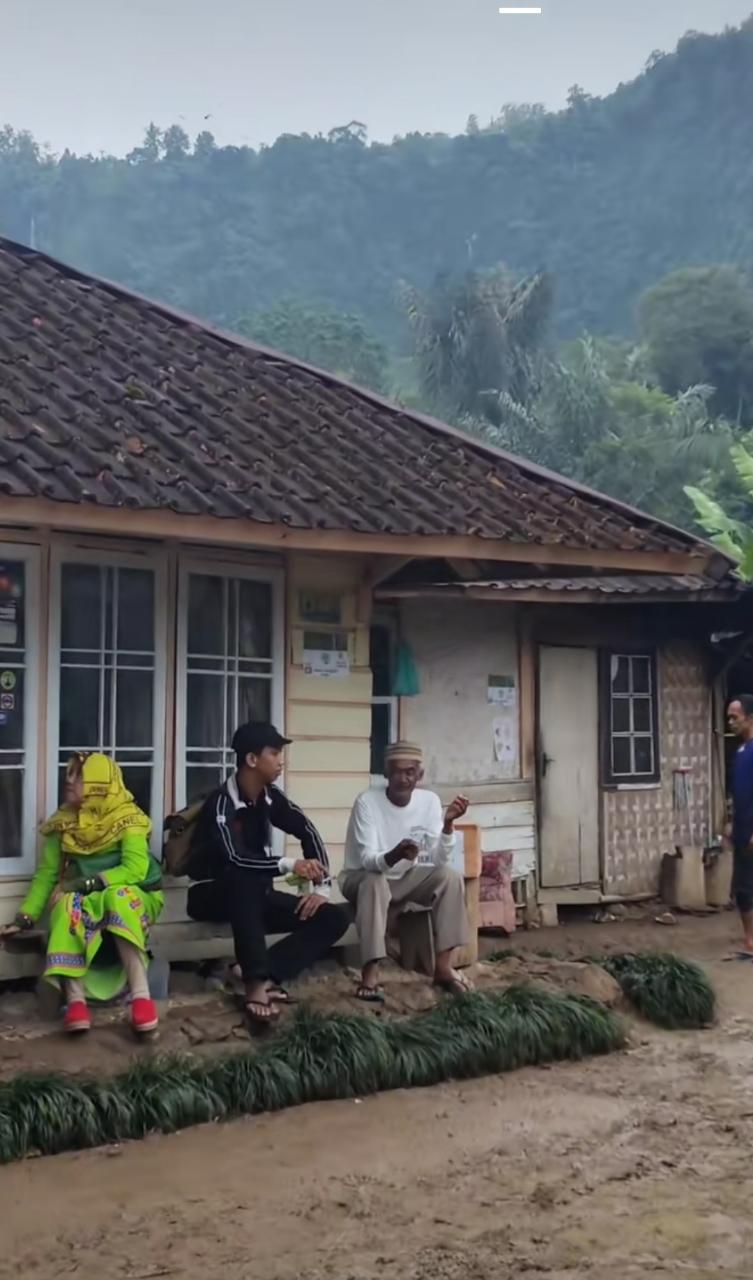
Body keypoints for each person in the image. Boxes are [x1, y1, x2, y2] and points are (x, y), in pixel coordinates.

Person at [187, 721, 352, 1024]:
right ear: (252, 760)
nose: (281, 760)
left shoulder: (270, 796)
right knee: (244, 879)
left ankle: (257, 972)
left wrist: (321, 888)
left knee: (334, 916)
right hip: (211, 895)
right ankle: (254, 985)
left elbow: (306, 831)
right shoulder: (222, 803)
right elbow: (235, 859)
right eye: (274, 753)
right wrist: (290, 865)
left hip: (255, 898)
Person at [0, 753, 163, 1035]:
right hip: (87, 901)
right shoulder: (63, 823)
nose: (69, 780)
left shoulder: (128, 817)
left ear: (99, 784)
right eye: (69, 773)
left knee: (118, 897)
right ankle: (76, 1004)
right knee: (66, 905)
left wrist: (83, 884)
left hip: (134, 894)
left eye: (79, 775)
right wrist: (25, 918)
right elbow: (47, 875)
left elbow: (135, 870)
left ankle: (141, 999)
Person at [341, 741, 471, 1001]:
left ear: (419, 775)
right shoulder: (367, 802)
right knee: (375, 880)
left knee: (450, 876)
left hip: (406, 877)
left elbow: (439, 858)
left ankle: (444, 966)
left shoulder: (430, 802)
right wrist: (395, 854)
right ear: (385, 773)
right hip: (360, 878)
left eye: (410, 772)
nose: (403, 778)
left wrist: (448, 825)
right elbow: (367, 860)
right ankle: (371, 973)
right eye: (397, 771)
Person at [727, 695, 753, 956]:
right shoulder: (741, 751)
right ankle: (749, 939)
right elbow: (739, 791)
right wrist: (730, 821)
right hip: (742, 829)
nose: (730, 722)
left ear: (751, 718)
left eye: (735, 717)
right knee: (743, 888)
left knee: (748, 887)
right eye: (729, 717)